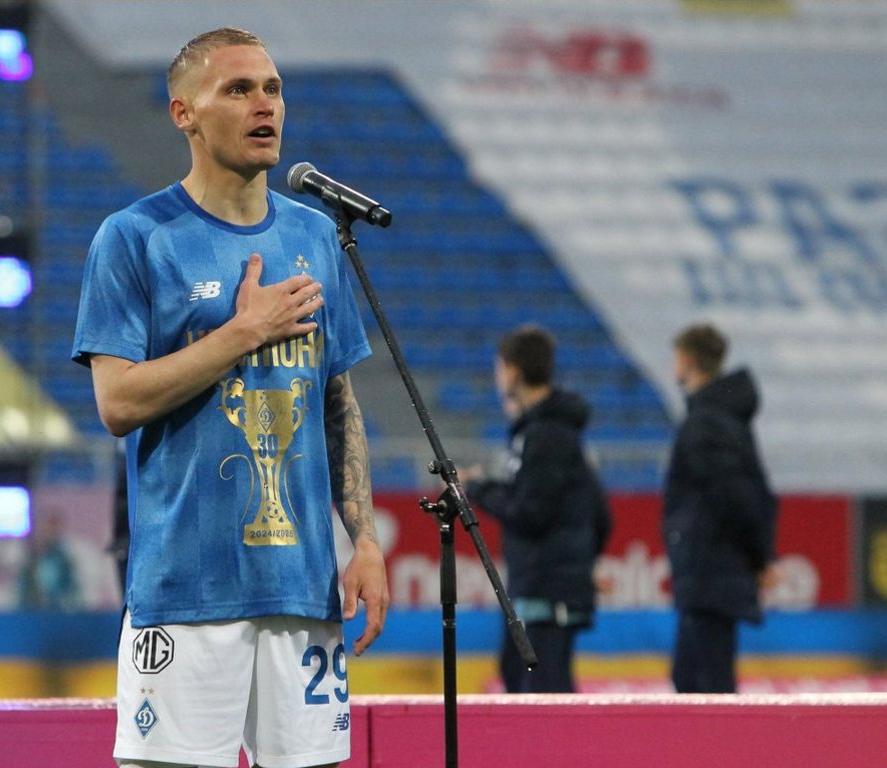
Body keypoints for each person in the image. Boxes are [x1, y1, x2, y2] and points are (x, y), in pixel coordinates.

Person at [72, 27, 389, 768]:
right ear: (184, 113)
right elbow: (117, 403)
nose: (264, 104)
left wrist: (366, 541)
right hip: (186, 594)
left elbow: (336, 401)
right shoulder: (135, 238)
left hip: (303, 592)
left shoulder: (318, 235)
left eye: (272, 88)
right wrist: (242, 333)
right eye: (238, 89)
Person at [464, 325, 612, 693]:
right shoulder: (551, 432)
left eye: (499, 368)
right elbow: (598, 512)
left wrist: (477, 489)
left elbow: (530, 512)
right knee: (519, 675)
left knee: (542, 691)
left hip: (547, 589)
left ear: (513, 371)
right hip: (543, 586)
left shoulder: (546, 435)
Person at [664, 323, 778, 693]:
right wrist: (760, 555)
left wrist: (758, 557)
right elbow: (755, 490)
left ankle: (720, 736)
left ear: (687, 360)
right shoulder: (726, 419)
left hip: (709, 568)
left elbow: (735, 497)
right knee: (694, 677)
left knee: (705, 681)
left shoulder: (705, 423)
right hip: (714, 569)